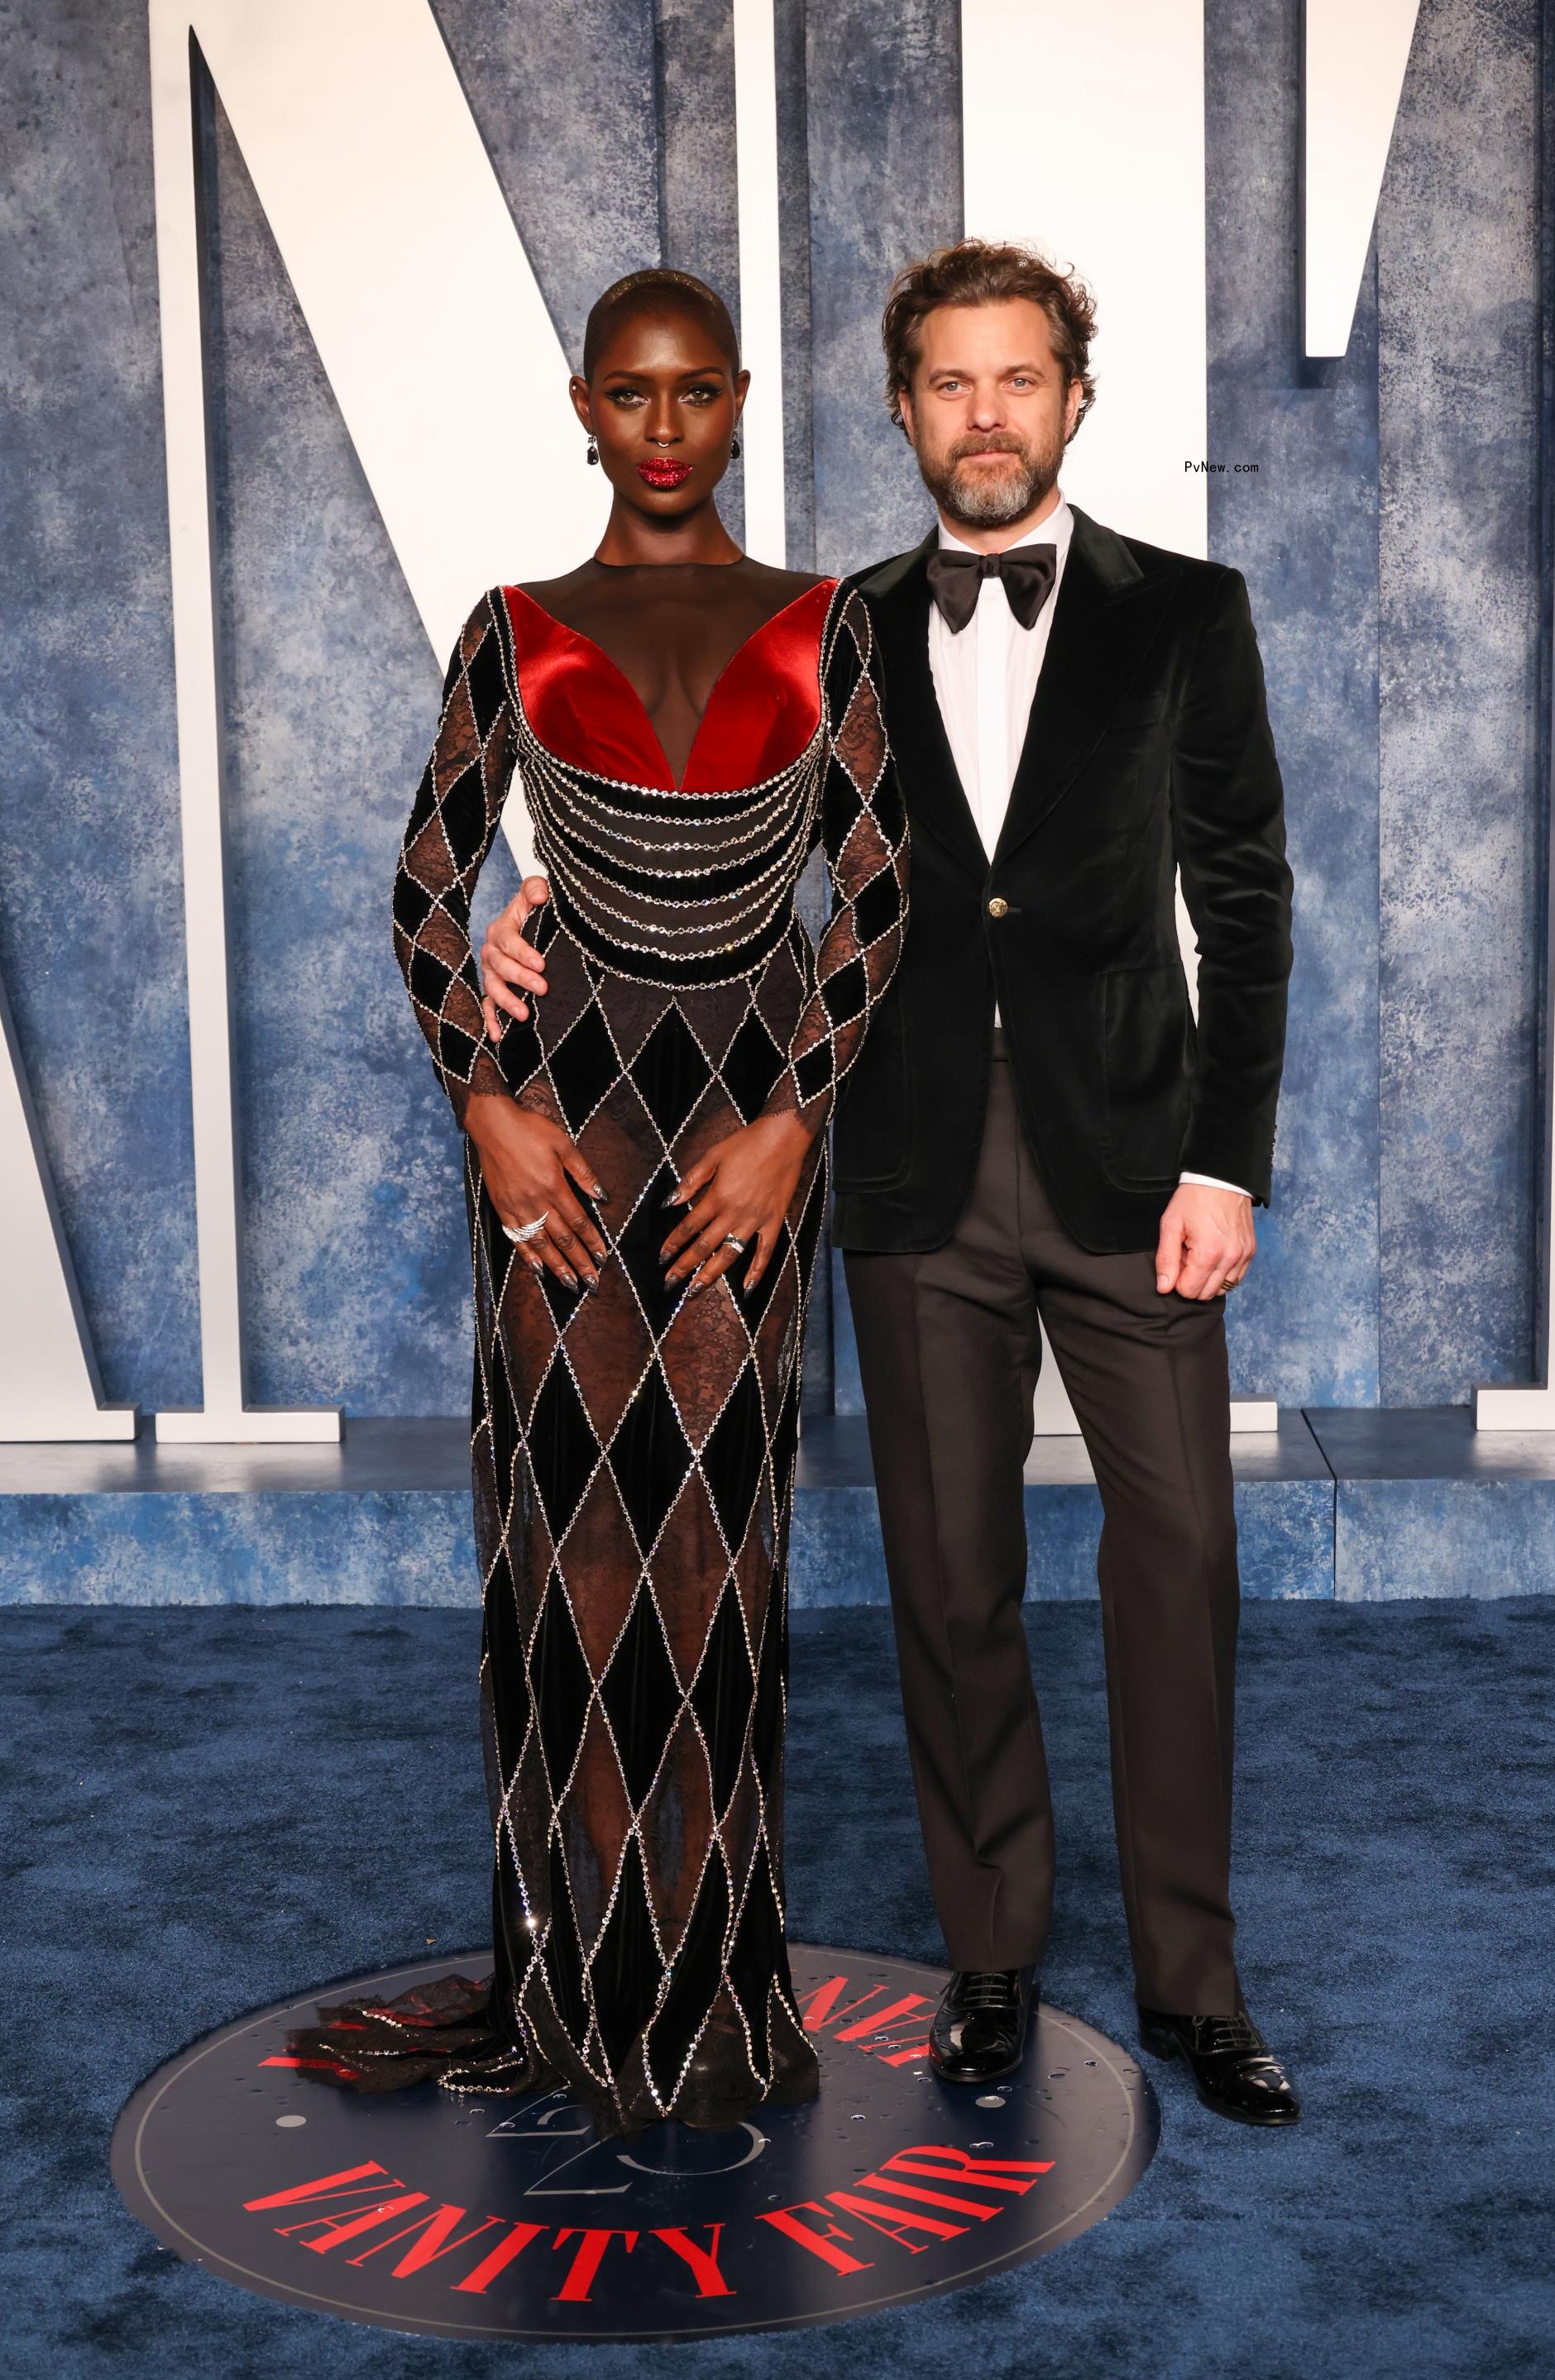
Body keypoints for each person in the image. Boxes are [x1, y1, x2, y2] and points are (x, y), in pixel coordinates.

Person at [480, 240, 1299, 2130]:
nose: (986, 413)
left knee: (1178, 1560)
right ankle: (993, 1956)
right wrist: (538, 900)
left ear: (1073, 402)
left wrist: (1224, 1163)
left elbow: (1244, 902)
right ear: (904, 407)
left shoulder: (1190, 613)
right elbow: (705, 818)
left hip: (1130, 1169)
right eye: (949, 382)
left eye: (1019, 379)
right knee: (949, 1573)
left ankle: (1193, 1977)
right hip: (910, 1164)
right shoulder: (826, 626)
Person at [286, 269, 908, 2139]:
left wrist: (796, 1121)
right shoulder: (513, 625)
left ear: (736, 404)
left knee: (720, 1555)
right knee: (569, 1551)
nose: (659, 428)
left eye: (692, 393)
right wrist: (482, 1098)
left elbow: (873, 887)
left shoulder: (826, 624)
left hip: (741, 1143)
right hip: (562, 1148)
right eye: (626, 395)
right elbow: (423, 881)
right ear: (582, 403)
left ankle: (707, 1986)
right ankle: (565, 1980)